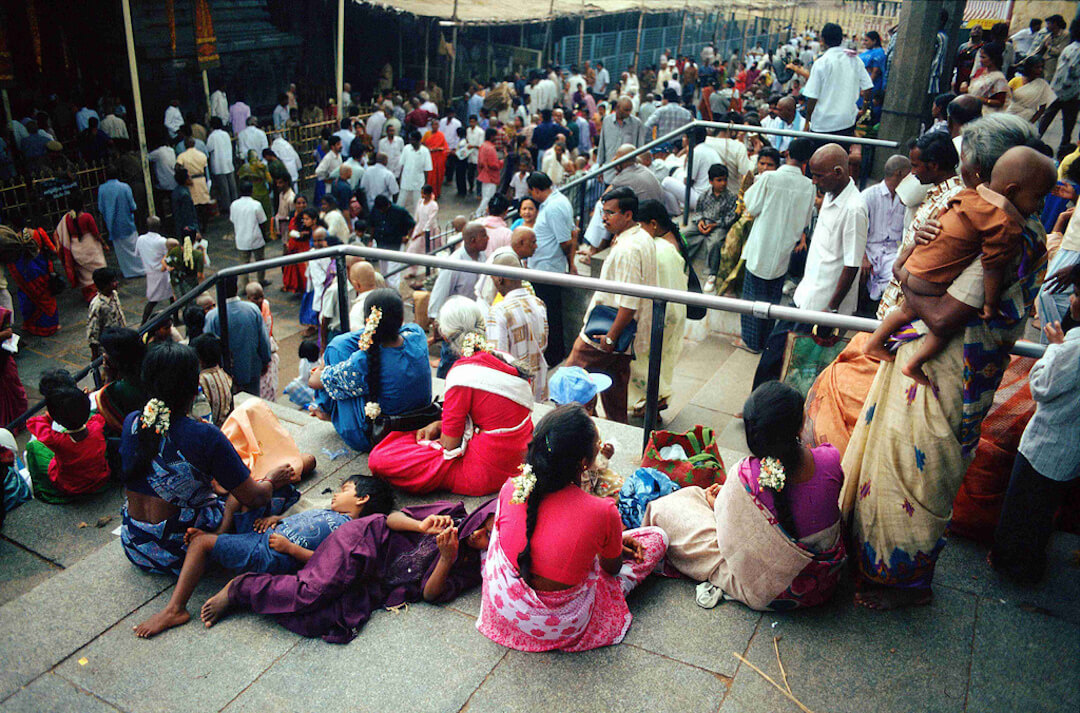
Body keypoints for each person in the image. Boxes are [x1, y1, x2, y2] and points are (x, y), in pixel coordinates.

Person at [837, 116, 1051, 610]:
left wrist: (910, 272)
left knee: (919, 478)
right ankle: (875, 563)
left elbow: (946, 313)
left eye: (970, 163)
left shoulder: (1008, 234)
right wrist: (915, 249)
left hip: (951, 374)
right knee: (895, 468)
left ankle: (906, 584)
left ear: (993, 174)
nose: (965, 171)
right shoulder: (981, 216)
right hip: (936, 364)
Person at [477, 404, 667, 652]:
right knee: (657, 537)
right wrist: (610, 544)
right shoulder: (602, 511)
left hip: (503, 611)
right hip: (561, 626)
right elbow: (612, 569)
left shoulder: (512, 487)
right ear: (585, 462)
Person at [643, 382, 846, 610]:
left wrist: (716, 503)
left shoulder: (744, 476)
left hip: (767, 592)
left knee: (670, 506)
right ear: (801, 425)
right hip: (821, 583)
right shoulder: (830, 458)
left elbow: (726, 537)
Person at [864, 146, 1056, 384]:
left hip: (912, 268)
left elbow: (942, 216)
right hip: (930, 286)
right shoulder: (1005, 225)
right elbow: (991, 267)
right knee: (940, 330)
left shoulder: (966, 196)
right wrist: (989, 303)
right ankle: (915, 364)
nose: (1040, 205)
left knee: (905, 310)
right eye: (1038, 197)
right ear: (1013, 190)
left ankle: (873, 342)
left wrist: (903, 270)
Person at [199, 497, 497, 642]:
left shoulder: (471, 567)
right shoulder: (452, 514)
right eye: (483, 526)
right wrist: (421, 525)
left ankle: (281, 583)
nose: (477, 536)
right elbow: (391, 519)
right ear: (481, 514)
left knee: (319, 620)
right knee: (310, 593)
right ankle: (241, 587)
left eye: (487, 539)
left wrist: (446, 559)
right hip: (366, 541)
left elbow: (431, 594)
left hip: (373, 581)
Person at [132, 472, 390, 638]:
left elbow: (326, 563)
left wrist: (291, 549)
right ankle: (220, 538)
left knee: (199, 544)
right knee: (239, 497)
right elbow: (303, 519)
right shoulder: (332, 514)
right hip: (266, 535)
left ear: (362, 498)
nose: (336, 493)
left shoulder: (349, 531)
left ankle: (175, 609)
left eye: (345, 489)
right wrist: (277, 519)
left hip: (270, 552)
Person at [118, 342, 295, 579]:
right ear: (194, 388)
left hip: (136, 543)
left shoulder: (132, 422)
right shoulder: (204, 436)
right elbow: (255, 497)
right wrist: (272, 480)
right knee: (280, 492)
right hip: (182, 552)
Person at [369, 297, 534, 495]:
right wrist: (439, 425)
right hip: (520, 455)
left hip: (486, 470)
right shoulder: (505, 358)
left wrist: (442, 431)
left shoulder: (461, 375)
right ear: (482, 326)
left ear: (445, 337)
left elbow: (450, 445)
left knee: (380, 458)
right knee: (405, 438)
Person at [990, 268, 1080, 583]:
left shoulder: (1074, 346)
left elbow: (1041, 386)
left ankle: (1014, 566)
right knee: (1041, 513)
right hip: (1067, 451)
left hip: (1046, 446)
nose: (1071, 298)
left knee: (1022, 509)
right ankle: (1026, 562)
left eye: (1078, 295)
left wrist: (1055, 347)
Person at [753, 143, 869, 388]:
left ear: (838, 172)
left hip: (823, 305)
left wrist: (832, 308)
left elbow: (852, 265)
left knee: (799, 365)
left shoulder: (855, 208)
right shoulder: (829, 194)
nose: (814, 181)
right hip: (805, 294)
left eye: (818, 175)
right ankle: (758, 402)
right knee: (775, 349)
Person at [565, 187, 657, 423]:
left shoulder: (629, 248)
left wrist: (610, 338)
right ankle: (613, 434)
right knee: (615, 393)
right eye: (603, 212)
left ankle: (582, 429)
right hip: (622, 332)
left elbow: (629, 302)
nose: (604, 217)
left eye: (610, 212)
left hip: (608, 331)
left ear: (628, 215)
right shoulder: (641, 237)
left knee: (570, 381)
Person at [309, 288, 431, 452]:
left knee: (335, 349)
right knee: (340, 346)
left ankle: (325, 410)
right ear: (401, 318)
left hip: (378, 434)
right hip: (420, 419)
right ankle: (328, 410)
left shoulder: (364, 361)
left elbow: (314, 382)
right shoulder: (417, 334)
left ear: (368, 321)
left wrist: (323, 367)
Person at [635, 200, 689, 413]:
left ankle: (653, 401)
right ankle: (657, 400)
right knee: (662, 360)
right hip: (675, 312)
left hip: (658, 313)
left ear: (653, 224)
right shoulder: (675, 240)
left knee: (645, 361)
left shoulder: (658, 248)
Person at [25, 370, 109, 503]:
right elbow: (96, 416)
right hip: (99, 478)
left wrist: (50, 416)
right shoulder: (97, 425)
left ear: (56, 418)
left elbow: (33, 423)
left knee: (33, 447)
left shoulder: (56, 440)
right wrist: (82, 401)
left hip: (69, 486)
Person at [485, 250, 549, 401]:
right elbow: (544, 344)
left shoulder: (498, 312)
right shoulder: (538, 303)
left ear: (499, 279)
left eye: (492, 277)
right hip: (537, 388)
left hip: (513, 394)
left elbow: (497, 360)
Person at [427, 222, 489, 376]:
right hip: (456, 324)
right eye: (484, 236)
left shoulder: (483, 256)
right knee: (449, 363)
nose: (488, 239)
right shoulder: (453, 263)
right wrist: (438, 330)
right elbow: (438, 297)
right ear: (472, 240)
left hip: (475, 321)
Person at [528, 171, 575, 367]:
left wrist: (570, 263)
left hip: (548, 269)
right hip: (544, 267)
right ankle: (553, 351)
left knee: (550, 314)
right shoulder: (556, 202)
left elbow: (566, 240)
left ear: (537, 190)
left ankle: (555, 353)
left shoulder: (554, 206)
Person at [803, 23, 874, 140]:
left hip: (822, 124)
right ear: (841, 39)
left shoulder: (822, 62)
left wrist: (807, 121)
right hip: (846, 122)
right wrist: (864, 108)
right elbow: (868, 87)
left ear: (823, 40)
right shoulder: (855, 60)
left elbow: (812, 96)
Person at [860, 154, 911, 315]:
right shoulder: (868, 195)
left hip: (893, 253)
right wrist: (863, 257)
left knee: (902, 277)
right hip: (868, 251)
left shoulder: (907, 199)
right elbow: (857, 231)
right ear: (900, 174)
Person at [205, 276, 272, 395]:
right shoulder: (252, 310)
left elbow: (209, 349)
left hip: (226, 375)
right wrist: (266, 360)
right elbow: (263, 340)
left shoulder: (212, 316)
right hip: (251, 369)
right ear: (236, 287)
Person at [686, 164, 739, 292]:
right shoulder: (704, 195)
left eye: (725, 180)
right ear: (711, 181)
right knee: (685, 234)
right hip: (704, 223)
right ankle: (684, 259)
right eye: (719, 180)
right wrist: (700, 222)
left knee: (715, 243)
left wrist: (715, 225)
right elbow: (698, 211)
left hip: (719, 226)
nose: (723, 183)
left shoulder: (731, 197)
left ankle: (712, 273)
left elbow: (731, 217)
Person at [4, 219, 59, 337]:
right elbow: (52, 248)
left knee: (30, 301)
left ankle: (32, 326)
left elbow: (10, 261)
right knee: (47, 299)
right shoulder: (38, 233)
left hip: (24, 276)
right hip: (41, 270)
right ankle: (50, 326)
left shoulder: (11, 241)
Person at [1039, 18, 1080, 155]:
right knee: (1068, 126)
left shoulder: (1070, 47)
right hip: (1071, 93)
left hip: (1057, 90)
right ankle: (1063, 151)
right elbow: (1073, 73)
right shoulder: (1075, 50)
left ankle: (1033, 141)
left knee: (1046, 120)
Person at [55, 198, 108, 303]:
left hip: (76, 248)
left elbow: (57, 233)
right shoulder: (87, 217)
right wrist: (104, 244)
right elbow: (96, 234)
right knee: (100, 269)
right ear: (82, 205)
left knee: (84, 274)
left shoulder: (67, 219)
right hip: (90, 246)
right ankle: (102, 293)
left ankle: (90, 296)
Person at [96, 166, 143, 278]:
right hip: (127, 223)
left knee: (122, 253)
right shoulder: (125, 187)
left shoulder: (102, 189)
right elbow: (132, 206)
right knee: (135, 249)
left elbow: (101, 208)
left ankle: (128, 272)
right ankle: (141, 269)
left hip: (113, 227)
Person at [230, 180, 269, 286]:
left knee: (243, 265)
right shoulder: (256, 205)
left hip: (241, 239)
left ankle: (244, 285)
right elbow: (262, 222)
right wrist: (265, 235)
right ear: (252, 191)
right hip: (256, 237)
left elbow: (233, 220)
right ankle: (261, 280)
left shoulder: (234, 205)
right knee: (260, 262)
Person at [135, 216, 173, 324]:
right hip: (162, 272)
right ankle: (144, 322)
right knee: (160, 298)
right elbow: (169, 255)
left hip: (150, 272)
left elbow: (137, 254)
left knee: (158, 298)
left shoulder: (140, 239)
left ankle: (143, 322)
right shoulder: (162, 241)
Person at [596, 98, 645, 182]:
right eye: (625, 110)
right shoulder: (607, 121)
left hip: (629, 173)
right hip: (609, 171)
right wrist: (600, 168)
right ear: (617, 107)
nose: (628, 113)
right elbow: (602, 145)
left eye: (629, 110)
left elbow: (640, 148)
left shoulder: (636, 123)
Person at [191, 334, 233, 428]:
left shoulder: (200, 381)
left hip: (207, 429)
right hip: (224, 427)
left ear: (200, 359)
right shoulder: (224, 375)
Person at [86, 267, 126, 362]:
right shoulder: (97, 305)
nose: (116, 283)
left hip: (120, 338)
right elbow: (93, 332)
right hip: (108, 346)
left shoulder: (114, 294)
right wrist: (94, 355)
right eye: (113, 281)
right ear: (104, 285)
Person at [1006, 55, 1057, 123]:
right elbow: (1004, 99)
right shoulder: (1015, 81)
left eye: (1041, 67)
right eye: (1037, 67)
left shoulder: (1043, 85)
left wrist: (1030, 123)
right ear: (1029, 68)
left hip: (1028, 119)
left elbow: (1042, 109)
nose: (1040, 70)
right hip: (1010, 116)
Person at [964, 42, 1010, 115]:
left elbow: (1000, 102)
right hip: (971, 108)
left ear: (993, 59)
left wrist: (983, 100)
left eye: (983, 57)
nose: (980, 60)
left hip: (985, 113)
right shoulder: (980, 71)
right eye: (980, 57)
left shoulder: (999, 78)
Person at [398, 130, 433, 216]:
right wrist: (399, 178)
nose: (411, 142)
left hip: (418, 182)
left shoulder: (425, 151)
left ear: (419, 140)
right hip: (406, 180)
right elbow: (401, 165)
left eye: (413, 140)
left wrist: (426, 184)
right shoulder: (406, 148)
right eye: (411, 140)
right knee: (400, 202)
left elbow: (427, 169)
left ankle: (416, 222)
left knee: (418, 205)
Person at [282, 195, 311, 294]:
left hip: (303, 245)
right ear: (295, 204)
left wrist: (305, 234)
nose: (301, 205)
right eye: (299, 203)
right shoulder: (291, 214)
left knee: (303, 268)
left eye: (303, 203)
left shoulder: (309, 215)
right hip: (293, 244)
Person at [237, 149, 273, 221]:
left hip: (252, 193)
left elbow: (239, 177)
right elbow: (270, 180)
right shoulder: (262, 166)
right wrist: (270, 190)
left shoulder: (245, 167)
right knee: (267, 214)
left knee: (254, 215)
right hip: (264, 192)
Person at [476, 128, 503, 217]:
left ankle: (481, 214)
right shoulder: (490, 148)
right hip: (490, 176)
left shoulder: (483, 146)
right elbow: (494, 164)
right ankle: (479, 214)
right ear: (492, 136)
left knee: (485, 196)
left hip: (484, 174)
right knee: (488, 198)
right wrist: (502, 162)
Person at [422, 117, 448, 200]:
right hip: (429, 157)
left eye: (437, 124)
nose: (435, 126)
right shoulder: (427, 134)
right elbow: (422, 144)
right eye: (434, 124)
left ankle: (437, 192)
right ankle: (429, 193)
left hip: (439, 158)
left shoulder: (441, 135)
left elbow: (445, 148)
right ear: (431, 125)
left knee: (438, 176)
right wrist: (429, 149)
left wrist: (439, 149)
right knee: (430, 176)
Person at [171, 166, 200, 236]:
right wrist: (195, 230)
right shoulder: (185, 195)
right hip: (187, 229)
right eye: (189, 177)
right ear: (186, 180)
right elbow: (188, 216)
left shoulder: (176, 191)